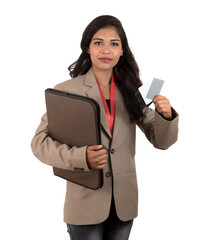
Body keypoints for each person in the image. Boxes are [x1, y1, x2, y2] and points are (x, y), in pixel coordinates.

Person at [31, 15, 179, 240]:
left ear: (122, 52)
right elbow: (39, 144)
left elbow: (162, 141)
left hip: (124, 204)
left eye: (114, 44)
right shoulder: (66, 90)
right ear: (87, 48)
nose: (106, 50)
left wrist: (165, 116)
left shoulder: (133, 92)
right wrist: (81, 157)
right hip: (85, 203)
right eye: (98, 43)